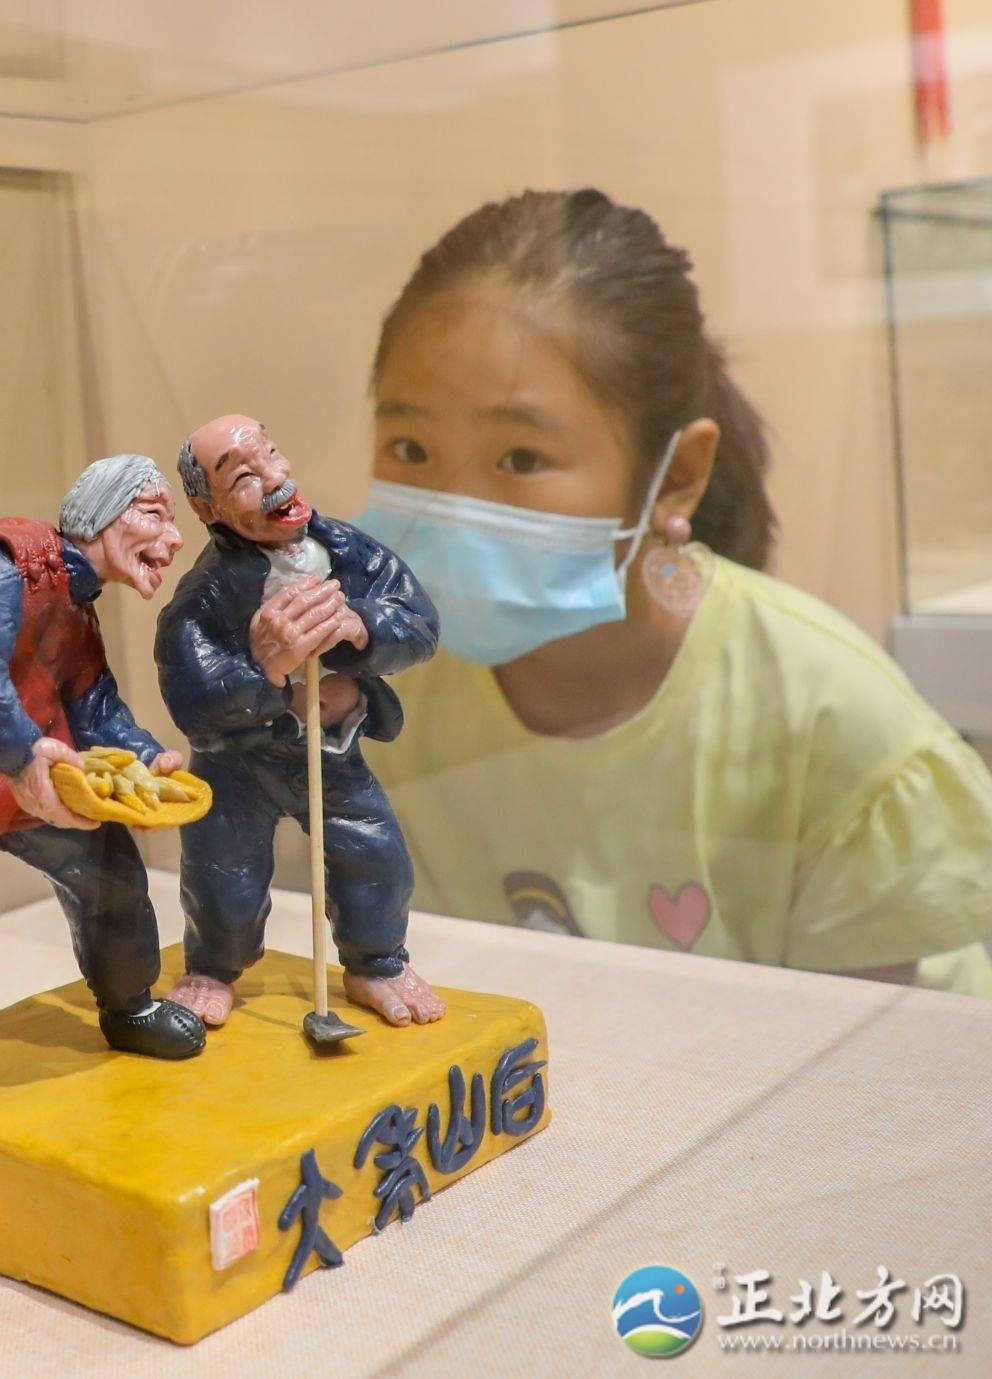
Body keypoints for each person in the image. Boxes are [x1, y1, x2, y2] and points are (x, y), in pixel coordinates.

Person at [354, 189, 992, 993]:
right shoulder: (375, 694)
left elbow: (863, 1055)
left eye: (520, 458)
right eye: (410, 448)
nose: (451, 506)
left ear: (678, 475)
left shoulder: (835, 721)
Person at [0, 454, 207, 1089]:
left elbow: (94, 703)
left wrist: (142, 759)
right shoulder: (6, 566)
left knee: (111, 877)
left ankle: (129, 1003)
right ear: (104, 517)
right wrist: (25, 755)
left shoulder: (77, 605)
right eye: (153, 515)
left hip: (38, 777)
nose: (172, 538)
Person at [154, 415, 444, 1030]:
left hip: (332, 749)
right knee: (223, 873)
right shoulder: (205, 594)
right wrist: (262, 666)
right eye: (244, 478)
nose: (276, 478)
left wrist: (360, 626)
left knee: (376, 857)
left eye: (272, 453)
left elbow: (419, 624)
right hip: (239, 765)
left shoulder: (346, 550)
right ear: (208, 510)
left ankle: (377, 962)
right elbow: (192, 700)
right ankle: (211, 968)